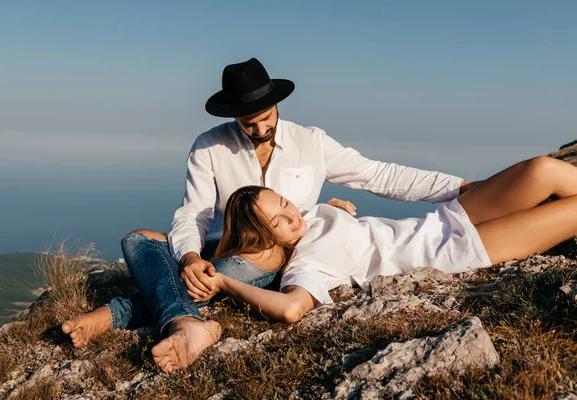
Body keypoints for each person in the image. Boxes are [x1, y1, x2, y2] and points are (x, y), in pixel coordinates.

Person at [61, 58, 474, 372]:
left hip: (275, 256)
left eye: (265, 119)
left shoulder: (311, 141)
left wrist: (459, 188)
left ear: (276, 104)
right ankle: (188, 320)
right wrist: (189, 258)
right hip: (220, 248)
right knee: (138, 239)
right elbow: (194, 213)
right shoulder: (209, 146)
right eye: (248, 122)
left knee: (226, 267)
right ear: (233, 116)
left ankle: (121, 314)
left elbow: (379, 174)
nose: (259, 129)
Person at [206, 158, 577, 323]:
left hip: (445, 218)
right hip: (457, 250)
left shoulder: (312, 216)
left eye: (286, 203)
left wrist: (329, 209)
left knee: (542, 169)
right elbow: (290, 310)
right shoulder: (306, 264)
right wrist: (225, 280)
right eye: (278, 221)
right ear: (264, 236)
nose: (292, 216)